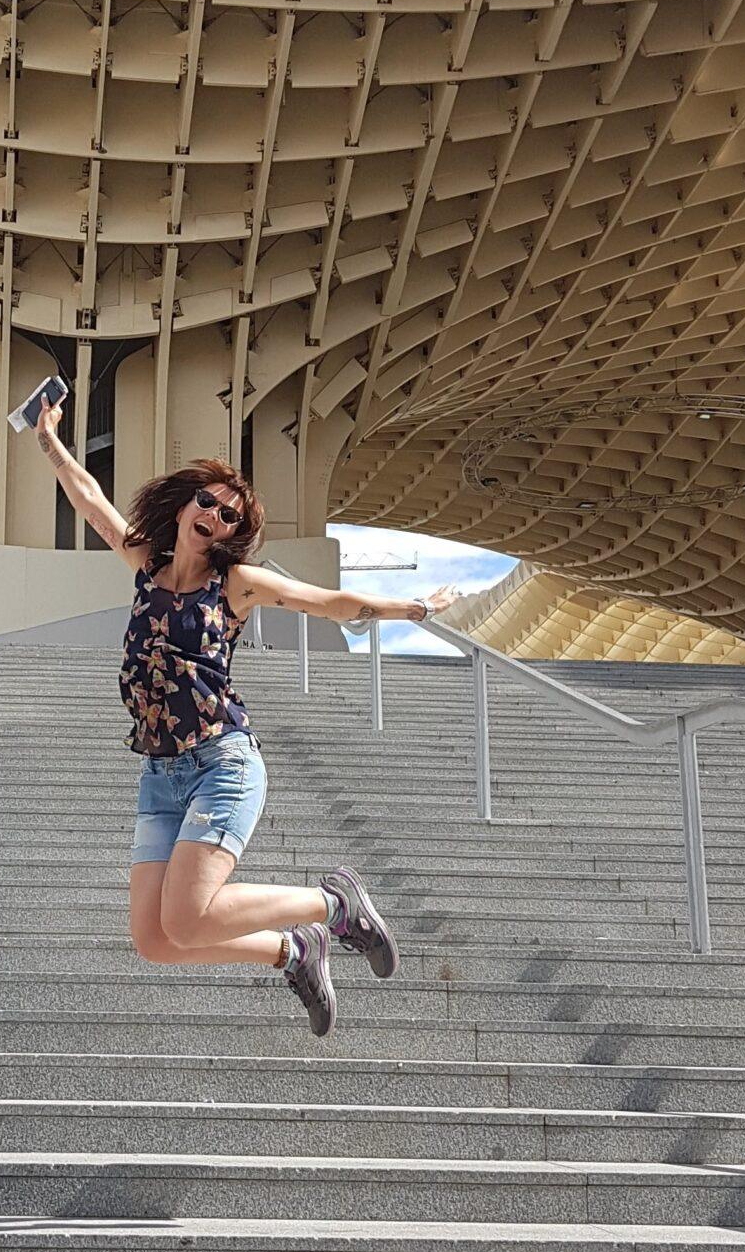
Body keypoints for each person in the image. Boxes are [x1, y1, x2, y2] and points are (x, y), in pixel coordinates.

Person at [34, 397, 454, 1039]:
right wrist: (50, 443)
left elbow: (328, 601)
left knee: (191, 915)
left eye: (230, 516)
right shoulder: (145, 564)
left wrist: (411, 609)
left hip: (221, 762)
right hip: (160, 774)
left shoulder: (236, 585)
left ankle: (335, 906)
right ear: (184, 504)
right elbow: (90, 499)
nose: (216, 516)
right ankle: (294, 951)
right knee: (156, 939)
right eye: (209, 502)